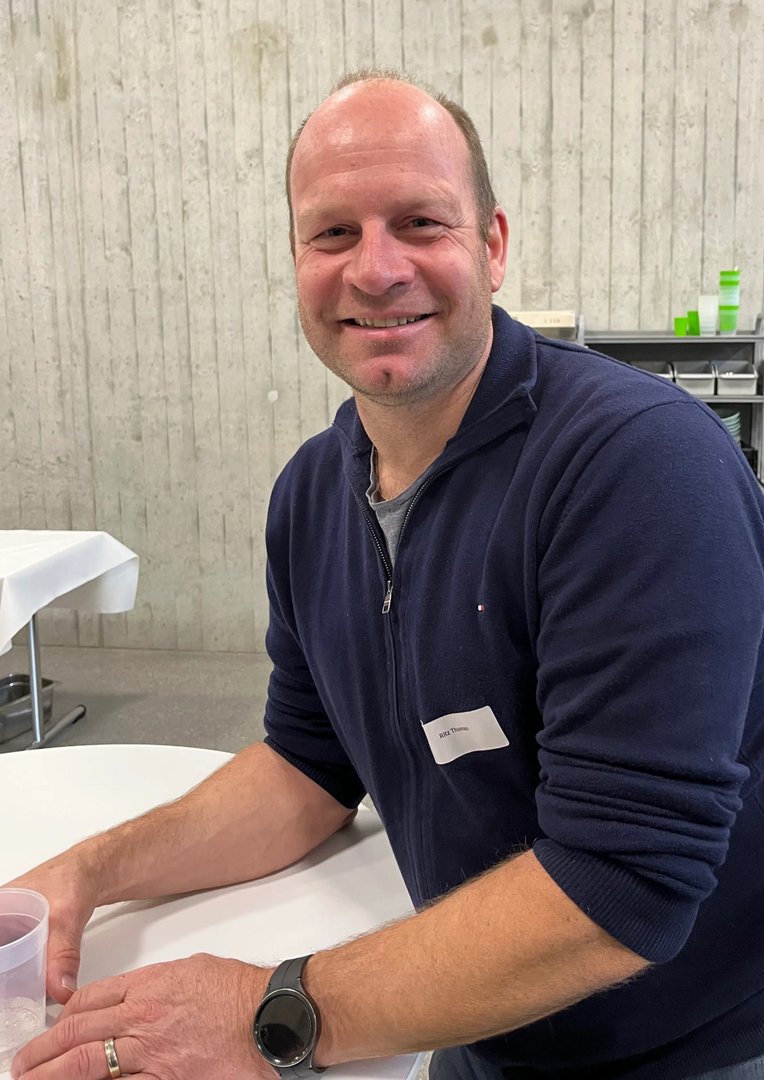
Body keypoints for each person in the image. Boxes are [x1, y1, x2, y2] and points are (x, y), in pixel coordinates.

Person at [8, 69, 764, 1080]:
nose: (375, 269)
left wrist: (271, 1011)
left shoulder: (636, 467)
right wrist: (84, 873)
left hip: (684, 1046)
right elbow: (306, 770)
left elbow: (622, 883)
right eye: (333, 233)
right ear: (296, 261)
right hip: (465, 1017)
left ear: (491, 245)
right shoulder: (312, 495)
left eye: (419, 222)